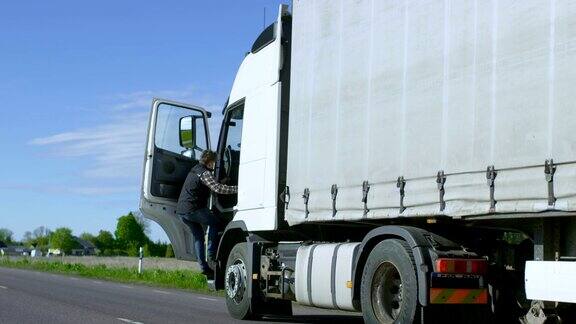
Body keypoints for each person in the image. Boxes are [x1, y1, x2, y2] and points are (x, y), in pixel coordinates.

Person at [176, 150, 237, 277]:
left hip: (182, 211)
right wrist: (238, 188)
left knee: (198, 236)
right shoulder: (205, 172)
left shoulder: (195, 169)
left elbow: (211, 183)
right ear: (210, 162)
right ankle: (211, 254)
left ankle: (204, 267)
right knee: (215, 223)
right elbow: (218, 188)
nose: (214, 165)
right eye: (214, 162)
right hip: (193, 209)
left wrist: (223, 180)